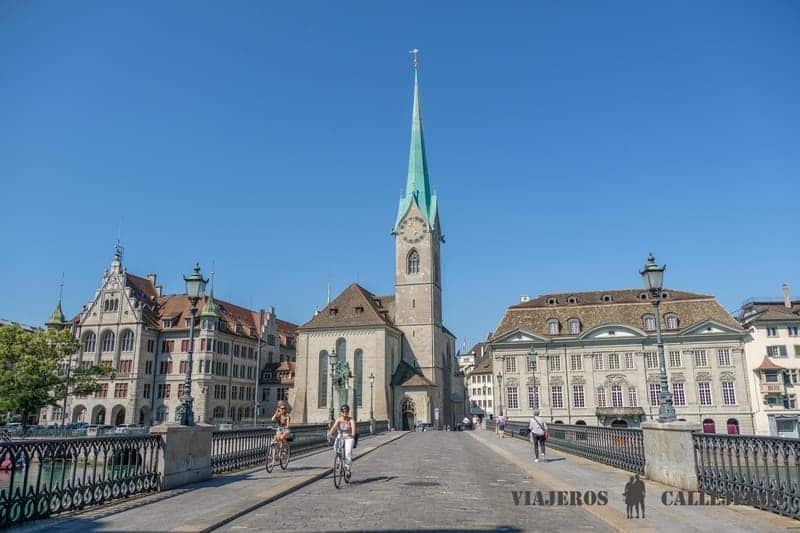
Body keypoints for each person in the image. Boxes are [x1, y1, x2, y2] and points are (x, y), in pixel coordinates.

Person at [327, 404, 357, 474]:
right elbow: (334, 428)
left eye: (346, 411)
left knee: (348, 452)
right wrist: (330, 433)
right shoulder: (339, 420)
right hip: (340, 436)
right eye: (343, 411)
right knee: (336, 447)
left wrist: (352, 435)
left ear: (348, 412)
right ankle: (338, 460)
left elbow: (353, 431)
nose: (345, 413)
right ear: (341, 412)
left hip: (349, 437)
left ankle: (348, 468)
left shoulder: (351, 420)